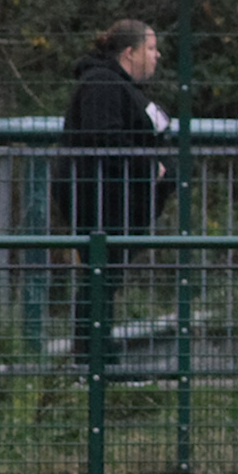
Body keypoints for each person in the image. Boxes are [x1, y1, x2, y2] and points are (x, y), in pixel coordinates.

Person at [53, 20, 172, 361]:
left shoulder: (123, 87)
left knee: (106, 277)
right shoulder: (101, 84)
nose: (157, 55)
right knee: (100, 275)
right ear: (129, 53)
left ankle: (98, 357)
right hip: (99, 200)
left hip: (119, 201)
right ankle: (94, 360)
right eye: (151, 48)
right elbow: (105, 138)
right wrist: (149, 167)